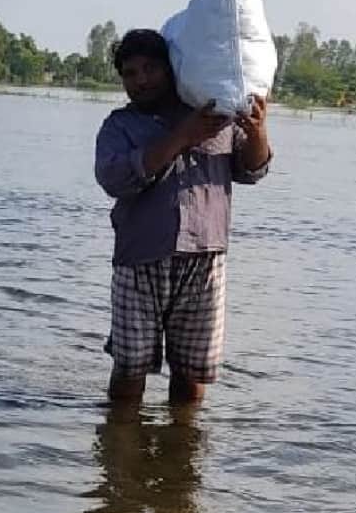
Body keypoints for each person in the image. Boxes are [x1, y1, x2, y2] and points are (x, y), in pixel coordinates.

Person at [94, 28, 271, 403]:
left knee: (191, 377)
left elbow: (252, 170)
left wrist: (258, 132)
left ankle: (182, 451)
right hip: (139, 260)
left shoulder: (214, 118)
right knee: (130, 369)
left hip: (204, 260)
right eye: (130, 73)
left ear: (170, 69)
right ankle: (120, 453)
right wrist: (180, 138)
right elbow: (115, 179)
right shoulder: (119, 126)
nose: (140, 80)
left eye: (150, 68)